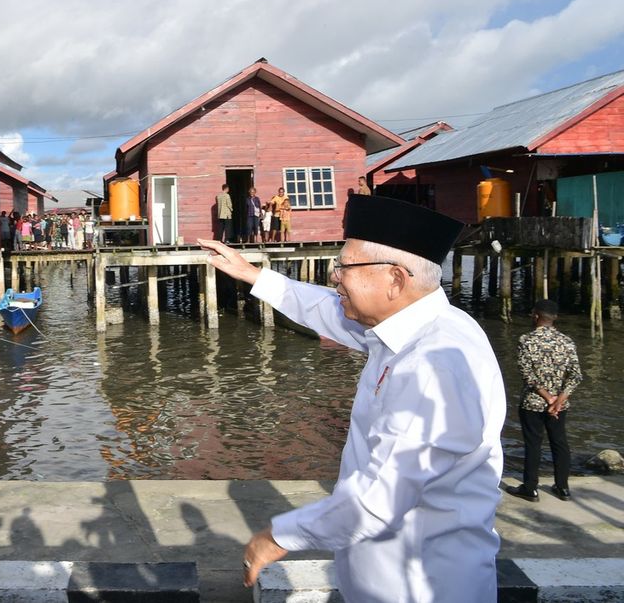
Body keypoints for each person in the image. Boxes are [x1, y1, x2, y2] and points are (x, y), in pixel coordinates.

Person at [197, 194, 505, 601]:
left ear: (395, 278)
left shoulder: (433, 364)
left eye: (344, 267)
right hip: (380, 580)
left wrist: (277, 536)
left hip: (423, 586)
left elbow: (379, 500)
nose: (334, 277)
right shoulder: (405, 329)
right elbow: (325, 309)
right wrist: (255, 276)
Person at [506, 299, 583, 503]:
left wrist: (547, 396)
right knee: (559, 443)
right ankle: (563, 487)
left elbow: (527, 374)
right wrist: (559, 400)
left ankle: (530, 488)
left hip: (533, 402)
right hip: (559, 405)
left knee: (533, 444)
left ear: (536, 316)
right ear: (555, 318)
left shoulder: (526, 340)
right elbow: (575, 375)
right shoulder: (567, 342)